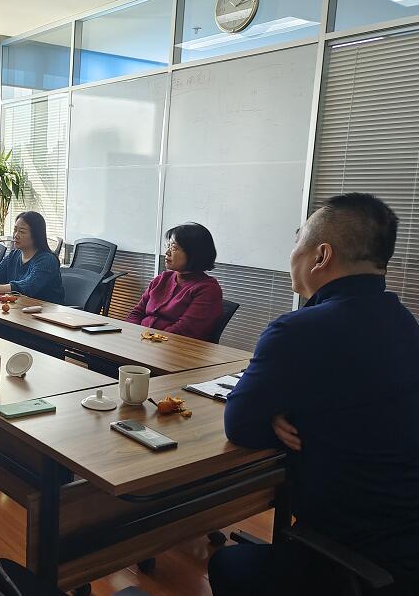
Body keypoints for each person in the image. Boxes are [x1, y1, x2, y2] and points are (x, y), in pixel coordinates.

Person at [210, 193, 419, 596]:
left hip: (355, 556)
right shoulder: (405, 323)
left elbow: (239, 425)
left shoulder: (297, 331)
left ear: (321, 255)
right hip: (405, 539)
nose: (292, 254)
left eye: (296, 241)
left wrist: (276, 412)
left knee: (229, 565)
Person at [127, 222, 222, 341]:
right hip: (143, 342)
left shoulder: (208, 289)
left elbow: (183, 331)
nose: (167, 252)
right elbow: (136, 313)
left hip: (172, 347)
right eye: (168, 246)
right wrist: (131, 335)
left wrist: (148, 340)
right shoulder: (162, 279)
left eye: (174, 248)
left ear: (194, 253)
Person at [0, 211, 64, 303]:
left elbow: (28, 286)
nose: (16, 235)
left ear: (36, 235)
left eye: (22, 232)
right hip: (19, 308)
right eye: (15, 230)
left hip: (44, 313)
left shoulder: (47, 260)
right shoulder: (14, 255)